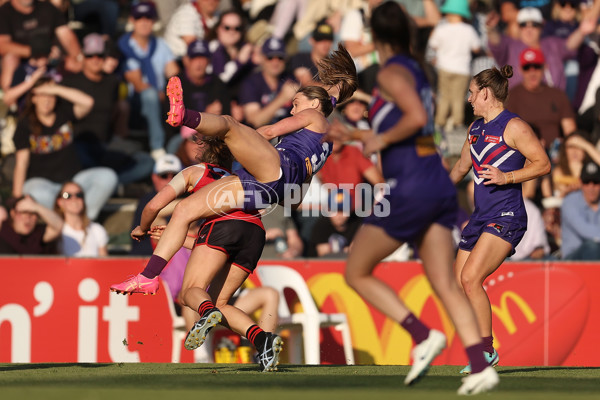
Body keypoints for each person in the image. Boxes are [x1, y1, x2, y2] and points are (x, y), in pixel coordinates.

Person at [339, 2, 498, 394]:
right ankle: (481, 365)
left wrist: (379, 138)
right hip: (435, 183)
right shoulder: (417, 70)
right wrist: (355, 135)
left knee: (355, 271)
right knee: (443, 282)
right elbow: (410, 127)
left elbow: (412, 119)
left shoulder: (392, 72)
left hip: (409, 186)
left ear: (375, 37)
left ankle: (422, 335)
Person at [134, 43, 357, 289]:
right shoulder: (325, 144)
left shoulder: (314, 116)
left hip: (274, 169)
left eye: (295, 103)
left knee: (230, 124)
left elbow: (269, 131)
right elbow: (293, 200)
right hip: (274, 190)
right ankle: (149, 277)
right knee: (187, 210)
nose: (292, 110)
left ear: (314, 106)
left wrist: (234, 142)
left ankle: (185, 115)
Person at [111, 136, 283, 372]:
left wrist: (142, 227)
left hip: (222, 228)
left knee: (189, 292)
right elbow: (212, 246)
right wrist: (179, 238)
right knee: (221, 303)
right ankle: (263, 341)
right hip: (255, 232)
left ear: (202, 151)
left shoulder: (196, 171)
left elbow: (153, 206)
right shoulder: (239, 178)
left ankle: (206, 312)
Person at [450, 64, 551, 373]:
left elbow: (543, 163)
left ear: (485, 93)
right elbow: (459, 168)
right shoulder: (475, 130)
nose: (468, 99)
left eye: (470, 93)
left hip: (507, 215)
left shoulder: (514, 126)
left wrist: (507, 176)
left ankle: (484, 352)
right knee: (459, 282)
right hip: (480, 217)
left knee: (470, 278)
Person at [12, 77, 118, 221]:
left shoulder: (64, 113)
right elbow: (21, 163)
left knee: (108, 176)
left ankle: (85, 221)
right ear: (34, 99)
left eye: (51, 96)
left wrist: (54, 88)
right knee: (33, 190)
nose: (47, 100)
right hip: (44, 184)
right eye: (42, 95)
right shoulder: (24, 125)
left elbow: (88, 102)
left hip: (73, 181)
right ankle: (63, 223)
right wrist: (16, 200)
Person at [118, 1, 179, 160]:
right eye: (139, 18)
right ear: (132, 20)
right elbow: (137, 84)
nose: (144, 22)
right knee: (150, 94)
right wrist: (160, 93)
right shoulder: (124, 46)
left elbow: (174, 72)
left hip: (159, 96)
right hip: (133, 101)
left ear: (154, 21)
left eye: (148, 18)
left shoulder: (160, 44)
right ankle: (157, 146)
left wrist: (171, 90)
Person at [505, 47, 576, 151]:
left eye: (537, 66)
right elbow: (507, 134)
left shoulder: (557, 95)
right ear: (520, 70)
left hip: (555, 155)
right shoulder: (512, 96)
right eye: (527, 67)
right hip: (523, 154)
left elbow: (571, 133)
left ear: (545, 67)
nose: (532, 72)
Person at [428, 0, 481, 131]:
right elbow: (476, 48)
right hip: (462, 70)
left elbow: (433, 44)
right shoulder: (468, 30)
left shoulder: (442, 29)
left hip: (444, 68)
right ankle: (457, 122)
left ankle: (440, 121)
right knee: (458, 97)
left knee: (444, 96)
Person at [130, 154, 184, 255]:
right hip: (147, 256)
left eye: (175, 176)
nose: (170, 180)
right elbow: (154, 211)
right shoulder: (147, 201)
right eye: (164, 176)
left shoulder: (187, 196)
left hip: (179, 257)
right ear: (154, 177)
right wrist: (191, 202)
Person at [54, 181, 109, 257]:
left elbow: (104, 264)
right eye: (67, 195)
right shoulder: (55, 232)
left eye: (79, 195)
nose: (74, 199)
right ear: (60, 202)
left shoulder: (97, 229)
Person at [560, 159, 600, 259]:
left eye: (596, 182)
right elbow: (586, 231)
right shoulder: (570, 201)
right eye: (587, 182)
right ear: (580, 182)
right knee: (592, 247)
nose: (591, 187)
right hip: (573, 260)